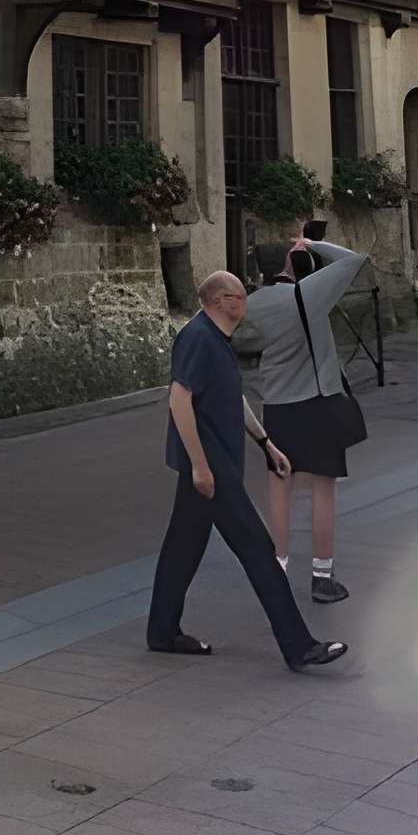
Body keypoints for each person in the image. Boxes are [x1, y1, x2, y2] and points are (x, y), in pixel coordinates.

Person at [147, 269, 347, 671]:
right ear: (220, 300)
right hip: (212, 467)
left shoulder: (218, 340)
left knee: (181, 550)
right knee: (258, 549)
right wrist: (201, 466)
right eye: (239, 295)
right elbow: (179, 401)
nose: (245, 302)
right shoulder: (196, 338)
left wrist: (265, 443)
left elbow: (228, 396)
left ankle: (162, 632)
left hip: (214, 464)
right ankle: (299, 646)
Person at [244, 235, 367, 603]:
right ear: (288, 264)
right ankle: (322, 578)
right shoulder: (308, 294)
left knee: (279, 490)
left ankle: (277, 568)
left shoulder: (249, 306)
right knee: (322, 492)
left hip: (276, 408)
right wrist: (312, 243)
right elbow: (353, 260)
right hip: (317, 404)